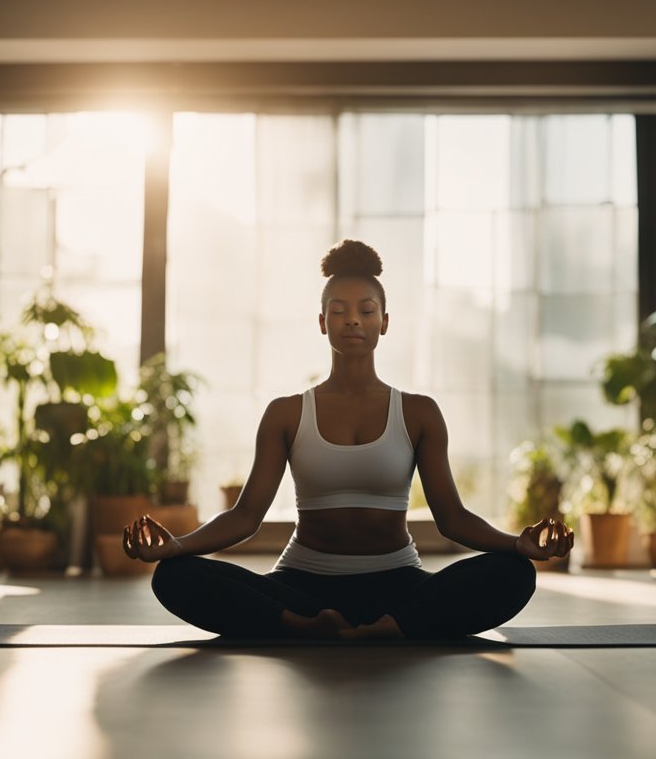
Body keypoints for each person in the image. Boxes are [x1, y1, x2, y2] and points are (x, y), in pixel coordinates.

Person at [125, 239, 574, 639]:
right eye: (338, 311)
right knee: (173, 576)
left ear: (384, 321)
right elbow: (245, 517)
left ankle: (390, 624)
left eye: (365, 310)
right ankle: (307, 625)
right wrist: (177, 547)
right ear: (322, 323)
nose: (352, 321)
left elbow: (452, 519)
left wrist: (519, 545)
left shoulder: (419, 412)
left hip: (398, 583)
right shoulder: (286, 412)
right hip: (302, 585)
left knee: (513, 574)